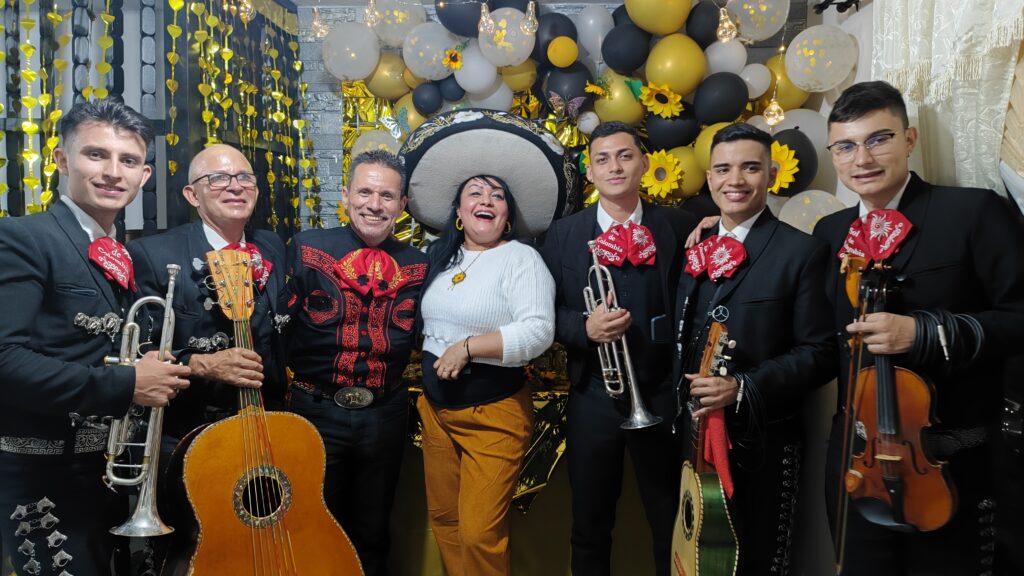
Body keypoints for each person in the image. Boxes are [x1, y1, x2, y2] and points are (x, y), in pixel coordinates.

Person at [813, 80, 1024, 575]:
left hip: (952, 462)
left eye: (878, 139)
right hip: (856, 460)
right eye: (845, 146)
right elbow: (821, 342)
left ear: (909, 139)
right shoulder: (829, 233)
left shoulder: (973, 211)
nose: (861, 158)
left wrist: (926, 333)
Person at [0, 99, 190, 576]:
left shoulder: (114, 252)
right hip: (43, 475)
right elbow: (4, 360)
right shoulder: (24, 238)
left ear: (144, 176)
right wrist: (128, 385)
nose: (112, 172)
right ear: (62, 160)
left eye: (127, 161)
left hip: (107, 475)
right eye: (95, 155)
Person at [402, 111, 563, 575]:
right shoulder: (440, 259)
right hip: (436, 413)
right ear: (458, 210)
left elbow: (537, 332)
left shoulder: (521, 259)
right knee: (446, 521)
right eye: (475, 192)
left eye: (497, 195)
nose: (487, 199)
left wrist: (468, 347)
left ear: (508, 213)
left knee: (478, 535)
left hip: (493, 413)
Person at [674, 123, 835, 575]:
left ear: (771, 173)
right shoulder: (696, 246)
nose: (735, 180)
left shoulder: (801, 252)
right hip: (692, 438)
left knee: (757, 562)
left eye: (750, 167)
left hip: (761, 443)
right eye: (723, 169)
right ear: (709, 180)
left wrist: (741, 387)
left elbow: (822, 352)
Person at [541, 121, 697, 576]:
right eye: (603, 159)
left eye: (625, 156)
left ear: (645, 164)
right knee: (589, 522)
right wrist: (583, 326)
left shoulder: (683, 225)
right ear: (589, 171)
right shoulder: (563, 234)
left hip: (662, 394)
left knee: (669, 519)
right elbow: (543, 312)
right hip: (594, 396)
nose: (615, 166)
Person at [126, 144, 289, 571]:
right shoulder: (153, 254)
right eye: (218, 178)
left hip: (260, 434)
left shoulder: (272, 247)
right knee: (193, 555)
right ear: (192, 195)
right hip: (186, 436)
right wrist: (202, 364)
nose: (235, 186)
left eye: (244, 177)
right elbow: (137, 352)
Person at [284, 149, 429, 576]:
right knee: (310, 525)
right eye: (365, 192)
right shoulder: (307, 247)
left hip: (384, 414)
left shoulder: (420, 264)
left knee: (373, 530)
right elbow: (277, 326)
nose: (374, 204)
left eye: (387, 195)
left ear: (402, 205)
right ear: (345, 196)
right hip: (313, 411)